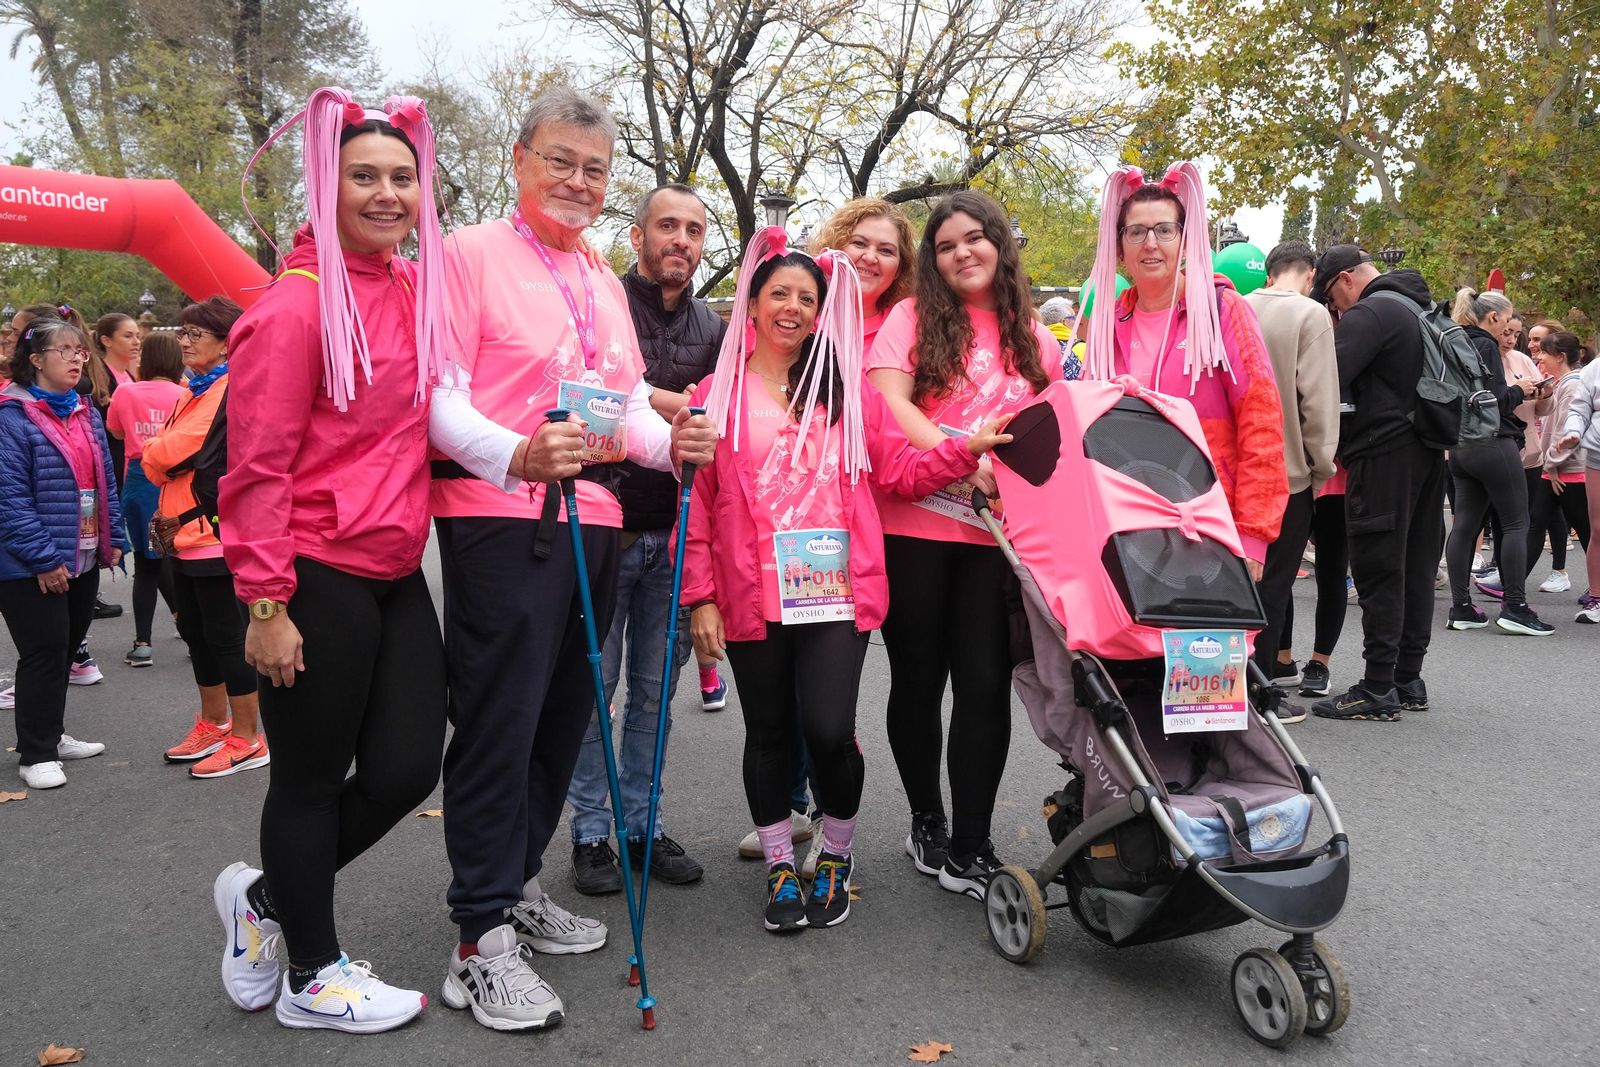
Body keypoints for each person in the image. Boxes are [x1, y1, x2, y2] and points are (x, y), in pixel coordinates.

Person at [428, 86, 716, 1032]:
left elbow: (625, 405)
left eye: (593, 167)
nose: (578, 181)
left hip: (592, 519)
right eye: (560, 160)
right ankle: (476, 941)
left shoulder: (597, 275)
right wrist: (512, 451)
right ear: (519, 158)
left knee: (563, 719)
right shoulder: (467, 252)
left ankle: (512, 886)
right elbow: (442, 395)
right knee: (501, 722)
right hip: (500, 515)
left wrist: (665, 444)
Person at [207, 87, 450, 1034]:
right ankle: (313, 970)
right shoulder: (293, 309)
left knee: (403, 770)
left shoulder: (416, 287)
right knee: (308, 779)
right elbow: (254, 466)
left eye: (402, 176)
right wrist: (266, 602)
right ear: (326, 182)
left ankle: (267, 900)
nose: (387, 193)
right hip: (312, 570)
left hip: (395, 568)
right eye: (364, 176)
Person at [685, 234, 1012, 931]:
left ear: (821, 311)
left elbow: (898, 469)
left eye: (808, 297)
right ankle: (779, 862)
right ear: (753, 300)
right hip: (751, 591)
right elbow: (701, 503)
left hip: (834, 591)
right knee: (769, 731)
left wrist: (961, 450)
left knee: (830, 729)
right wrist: (701, 596)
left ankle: (836, 850)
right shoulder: (719, 393)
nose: (794, 308)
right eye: (780, 294)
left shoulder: (847, 391)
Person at [867, 189, 1060, 898]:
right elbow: (889, 402)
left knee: (984, 685)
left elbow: (1053, 425)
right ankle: (928, 821)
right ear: (934, 259)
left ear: (999, 244)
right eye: (946, 245)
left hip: (995, 537)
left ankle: (971, 844)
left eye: (974, 238)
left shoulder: (1033, 333)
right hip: (913, 522)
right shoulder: (909, 318)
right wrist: (959, 453)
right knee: (918, 681)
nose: (962, 253)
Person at [565, 181, 723, 896]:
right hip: (603, 531)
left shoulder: (715, 329)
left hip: (677, 538)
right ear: (638, 236)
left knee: (656, 696)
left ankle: (642, 823)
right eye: (667, 226)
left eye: (693, 230)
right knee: (596, 688)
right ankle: (591, 832)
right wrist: (664, 404)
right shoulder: (598, 304)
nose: (680, 241)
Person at [1081, 163, 1288, 577]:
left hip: (1209, 529)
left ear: (1185, 239)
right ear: (1119, 246)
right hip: (1124, 532)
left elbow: (1261, 422)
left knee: (1197, 644)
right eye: (1136, 231)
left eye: (1164, 229)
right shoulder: (1107, 325)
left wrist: (1252, 536)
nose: (1150, 243)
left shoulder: (1221, 311)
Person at [1310, 245, 1447, 720]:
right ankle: (1408, 679)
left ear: (1346, 279)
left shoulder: (1371, 312)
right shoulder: (1418, 306)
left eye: (1331, 299)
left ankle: (1377, 687)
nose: (1334, 309)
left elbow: (1324, 379)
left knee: (1378, 566)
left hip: (1383, 452)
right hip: (1429, 449)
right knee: (1416, 564)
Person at [142, 296, 272, 775]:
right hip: (183, 533)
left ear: (225, 343)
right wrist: (158, 451)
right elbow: (159, 454)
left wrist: (157, 451)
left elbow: (168, 453)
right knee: (196, 634)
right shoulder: (192, 390)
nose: (184, 341)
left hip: (214, 532)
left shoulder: (228, 388)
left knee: (224, 637)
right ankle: (215, 723)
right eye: (183, 332)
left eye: (195, 334)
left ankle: (248, 737)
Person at [0, 316, 122, 789]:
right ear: (35, 361)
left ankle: (52, 734)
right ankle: (35, 753)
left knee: (66, 647)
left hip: (84, 552)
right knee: (44, 651)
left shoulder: (83, 409)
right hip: (30, 563)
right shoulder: (11, 417)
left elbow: (102, 477)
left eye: (80, 350)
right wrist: (44, 559)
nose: (77, 358)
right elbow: (9, 498)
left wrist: (111, 539)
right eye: (65, 351)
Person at [1241, 240, 1337, 718]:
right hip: (1286, 470)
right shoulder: (1310, 315)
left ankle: (1218, 688)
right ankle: (1258, 694)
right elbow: (1317, 403)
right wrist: (1322, 464)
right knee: (1273, 588)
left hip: (1234, 465)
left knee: (1233, 585)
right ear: (1311, 273)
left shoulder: (1235, 308)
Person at [1437, 288, 1554, 635]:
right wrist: (1525, 390)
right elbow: (1494, 400)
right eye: (1506, 321)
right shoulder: (1485, 345)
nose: (1509, 330)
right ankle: (1515, 607)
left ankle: (1461, 608)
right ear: (1492, 318)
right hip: (1493, 442)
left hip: (1461, 446)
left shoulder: (1455, 340)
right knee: (1517, 523)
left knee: (1464, 525)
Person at [103, 330, 184, 666]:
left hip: (140, 479)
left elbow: (116, 431)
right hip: (177, 481)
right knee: (179, 559)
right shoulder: (187, 393)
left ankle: (142, 643)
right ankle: (195, 637)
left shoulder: (126, 391)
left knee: (147, 564)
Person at [1523, 331, 1590, 611]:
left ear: (1560, 357)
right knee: (1536, 524)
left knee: (1588, 533)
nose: (1539, 357)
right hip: (1556, 470)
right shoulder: (1561, 384)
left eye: (1545, 354)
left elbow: (1567, 433)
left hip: (1570, 472)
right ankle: (1511, 585)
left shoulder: (1573, 385)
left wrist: (1551, 466)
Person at [1038, 296, 1083, 380]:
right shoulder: (1082, 348)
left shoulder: (1033, 346)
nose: (1077, 322)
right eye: (1074, 317)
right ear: (1065, 321)